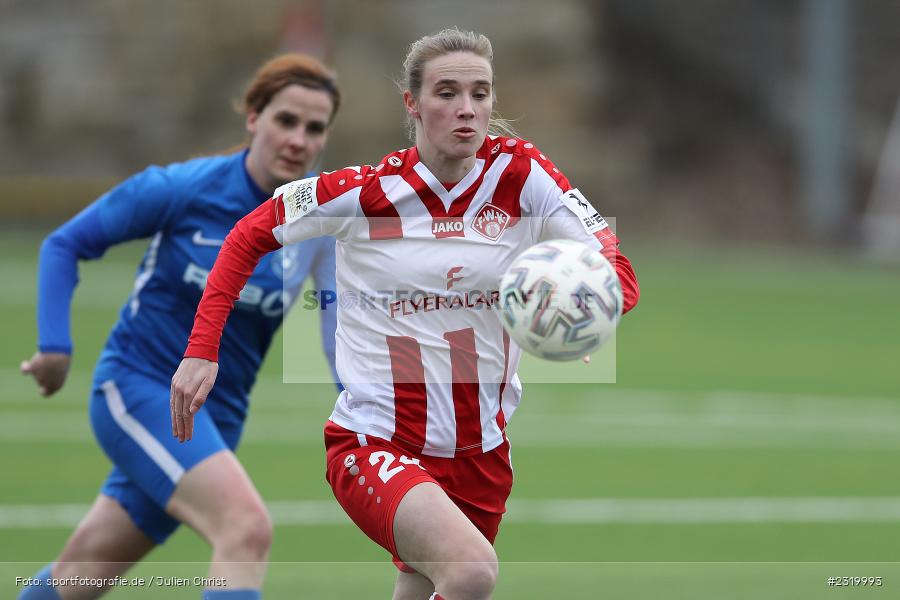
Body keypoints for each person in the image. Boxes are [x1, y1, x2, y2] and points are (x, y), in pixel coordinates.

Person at [172, 29, 639, 600]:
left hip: (483, 454)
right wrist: (201, 350)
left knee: (427, 586)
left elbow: (612, 262)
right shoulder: (365, 193)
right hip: (374, 444)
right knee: (472, 572)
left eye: (480, 93)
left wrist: (588, 307)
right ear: (412, 104)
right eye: (447, 92)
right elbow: (248, 234)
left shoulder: (521, 175)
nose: (467, 109)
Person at [18, 53, 342, 600]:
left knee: (81, 571)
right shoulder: (183, 188)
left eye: (315, 129)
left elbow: (336, 329)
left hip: (216, 421)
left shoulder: (319, 217)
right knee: (246, 528)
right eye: (285, 120)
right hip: (139, 390)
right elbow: (64, 244)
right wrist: (55, 346)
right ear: (253, 118)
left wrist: (370, 414)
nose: (299, 140)